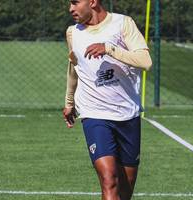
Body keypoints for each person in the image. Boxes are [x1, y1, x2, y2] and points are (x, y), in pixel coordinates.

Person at [63, 0, 152, 199]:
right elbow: (73, 67)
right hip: (94, 114)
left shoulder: (123, 24)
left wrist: (109, 49)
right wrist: (69, 102)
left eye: (75, 2)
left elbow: (146, 62)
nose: (71, 9)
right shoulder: (72, 32)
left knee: (125, 191)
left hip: (127, 114)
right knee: (109, 180)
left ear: (93, 2)